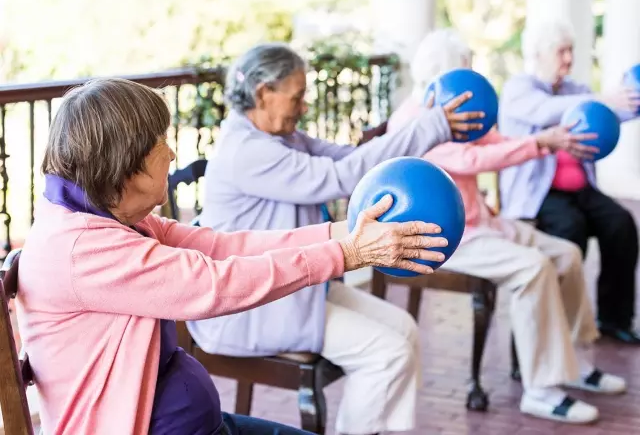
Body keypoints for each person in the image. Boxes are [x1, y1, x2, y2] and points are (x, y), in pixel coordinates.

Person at [15, 78, 449, 435]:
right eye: (159, 143)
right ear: (125, 165)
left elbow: (225, 247)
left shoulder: (111, 216)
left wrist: (345, 234)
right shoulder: (83, 249)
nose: (171, 153)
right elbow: (215, 285)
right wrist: (346, 254)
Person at [192, 42, 483, 435]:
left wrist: (429, 129)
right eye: (296, 97)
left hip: (295, 287)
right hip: (253, 306)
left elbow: (355, 163)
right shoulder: (246, 151)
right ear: (264, 93)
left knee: (405, 330)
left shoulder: (284, 138)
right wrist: (431, 124)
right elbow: (342, 178)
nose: (304, 106)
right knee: (388, 352)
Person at [388, 28, 627, 424]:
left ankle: (576, 363)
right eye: (465, 70)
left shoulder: (455, 112)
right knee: (533, 268)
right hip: (451, 237)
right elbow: (470, 160)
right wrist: (541, 144)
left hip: (484, 222)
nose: (472, 81)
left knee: (566, 254)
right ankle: (541, 390)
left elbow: (495, 141)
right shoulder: (413, 122)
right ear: (444, 75)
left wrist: (553, 139)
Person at [498, 19, 640, 344]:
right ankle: (556, 328)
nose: (568, 59)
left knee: (621, 224)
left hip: (581, 190)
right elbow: (546, 111)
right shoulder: (519, 89)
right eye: (561, 51)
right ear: (539, 54)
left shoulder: (575, 90)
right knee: (569, 230)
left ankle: (613, 319)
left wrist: (632, 102)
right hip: (539, 195)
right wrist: (605, 100)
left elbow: (613, 112)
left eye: (570, 51)